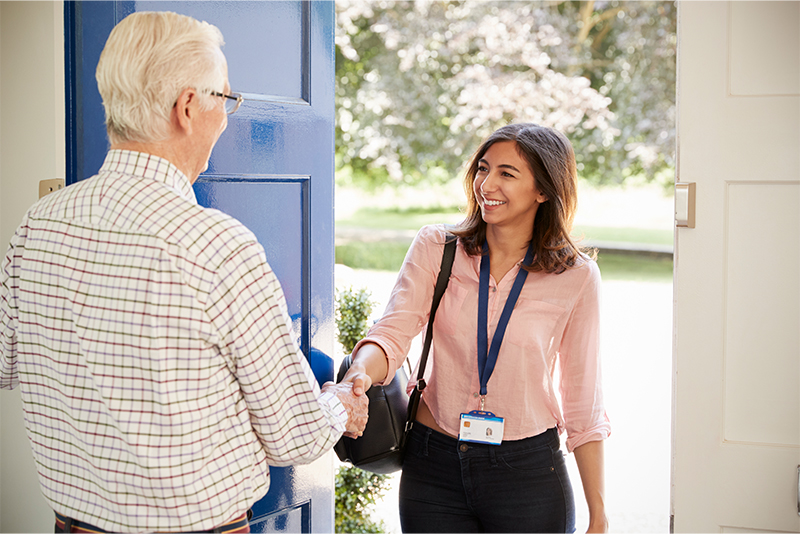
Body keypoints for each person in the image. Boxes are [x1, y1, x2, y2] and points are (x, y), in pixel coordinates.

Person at [0, 11, 367, 534]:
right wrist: (336, 407)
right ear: (189, 107)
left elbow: (4, 364)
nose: (227, 115)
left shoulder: (40, 222)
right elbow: (296, 438)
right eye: (226, 99)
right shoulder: (217, 246)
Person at [342, 123, 611, 533]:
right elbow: (392, 333)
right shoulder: (437, 247)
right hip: (433, 466)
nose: (487, 183)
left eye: (507, 173)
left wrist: (599, 514)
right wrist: (360, 372)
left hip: (528, 474)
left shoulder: (576, 277)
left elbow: (582, 399)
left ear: (543, 190)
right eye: (483, 169)